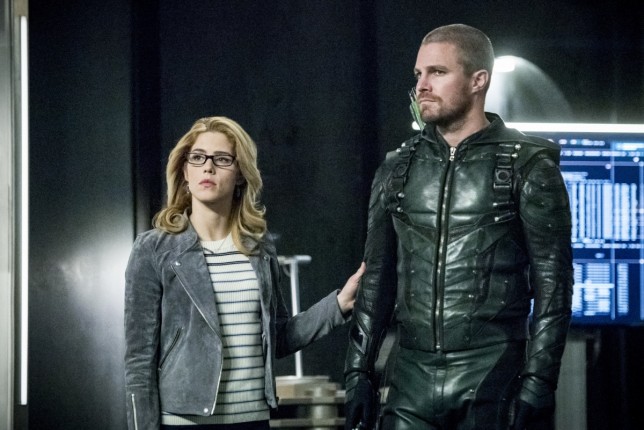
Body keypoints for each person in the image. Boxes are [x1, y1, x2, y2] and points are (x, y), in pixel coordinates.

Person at [344, 24, 573, 430]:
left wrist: (540, 381)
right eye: (419, 74)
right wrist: (357, 373)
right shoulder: (397, 168)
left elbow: (554, 285)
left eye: (437, 72)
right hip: (410, 379)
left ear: (478, 80)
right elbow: (376, 278)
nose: (422, 85)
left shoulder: (528, 166)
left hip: (493, 376)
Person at [124, 116, 365, 430]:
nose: (208, 167)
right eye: (198, 158)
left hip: (252, 419)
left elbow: (278, 336)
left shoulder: (259, 248)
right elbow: (139, 361)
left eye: (222, 159)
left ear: (240, 173)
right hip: (185, 421)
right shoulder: (154, 249)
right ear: (185, 171)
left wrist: (339, 305)